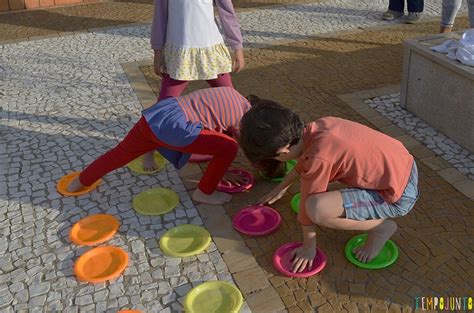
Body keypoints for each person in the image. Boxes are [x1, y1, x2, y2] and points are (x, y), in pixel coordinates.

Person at [239, 97, 419, 273]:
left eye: (274, 157)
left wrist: (308, 247)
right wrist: (281, 188)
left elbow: (308, 208)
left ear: (283, 151)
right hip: (403, 165)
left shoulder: (318, 157)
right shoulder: (319, 126)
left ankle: (381, 228)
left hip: (397, 194)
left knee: (316, 208)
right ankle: (370, 209)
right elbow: (305, 164)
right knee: (322, 192)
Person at [65, 87, 250, 205]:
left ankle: (80, 181)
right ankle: (204, 192)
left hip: (159, 114)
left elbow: (216, 136)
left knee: (119, 154)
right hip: (176, 126)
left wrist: (222, 170)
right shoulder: (243, 119)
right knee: (229, 147)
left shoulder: (232, 93)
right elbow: (238, 144)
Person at [143, 0, 245, 171]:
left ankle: (243, 148)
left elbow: (227, 12)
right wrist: (158, 51)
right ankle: (147, 150)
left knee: (232, 103)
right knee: (162, 108)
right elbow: (160, 17)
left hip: (211, 50)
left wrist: (238, 47)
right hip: (179, 53)